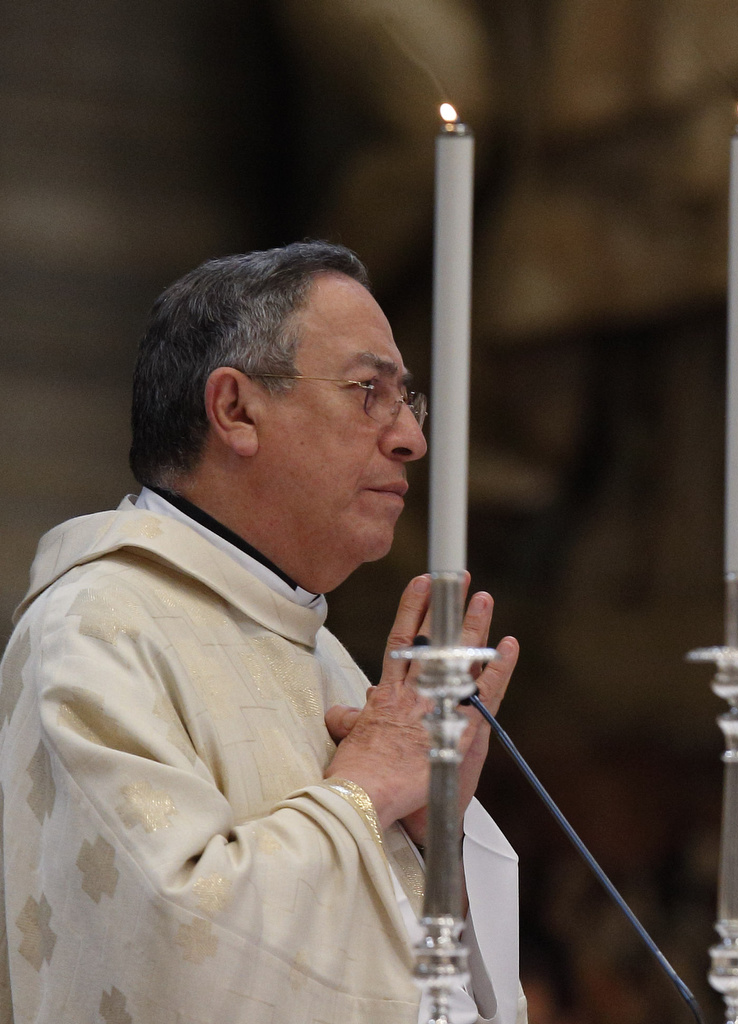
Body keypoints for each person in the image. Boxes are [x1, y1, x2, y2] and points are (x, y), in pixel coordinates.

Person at [0, 242, 525, 1023]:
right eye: (368, 390)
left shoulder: (327, 660)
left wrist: (432, 837)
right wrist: (369, 787)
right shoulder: (98, 629)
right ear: (236, 410)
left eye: (405, 400)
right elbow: (170, 948)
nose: (410, 438)